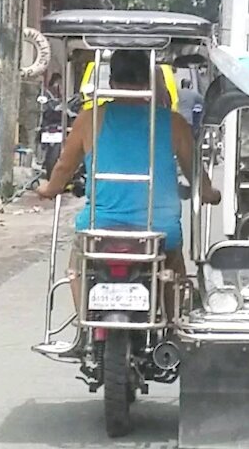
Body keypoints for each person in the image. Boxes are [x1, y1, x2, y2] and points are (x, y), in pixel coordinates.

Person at [37, 50, 221, 320]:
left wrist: (49, 189)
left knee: (76, 268)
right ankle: (172, 329)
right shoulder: (173, 122)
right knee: (173, 269)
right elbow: (198, 179)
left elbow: (64, 167)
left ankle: (85, 327)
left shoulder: (89, 118)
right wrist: (211, 194)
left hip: (99, 229)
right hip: (158, 231)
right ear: (150, 82)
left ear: (111, 82)